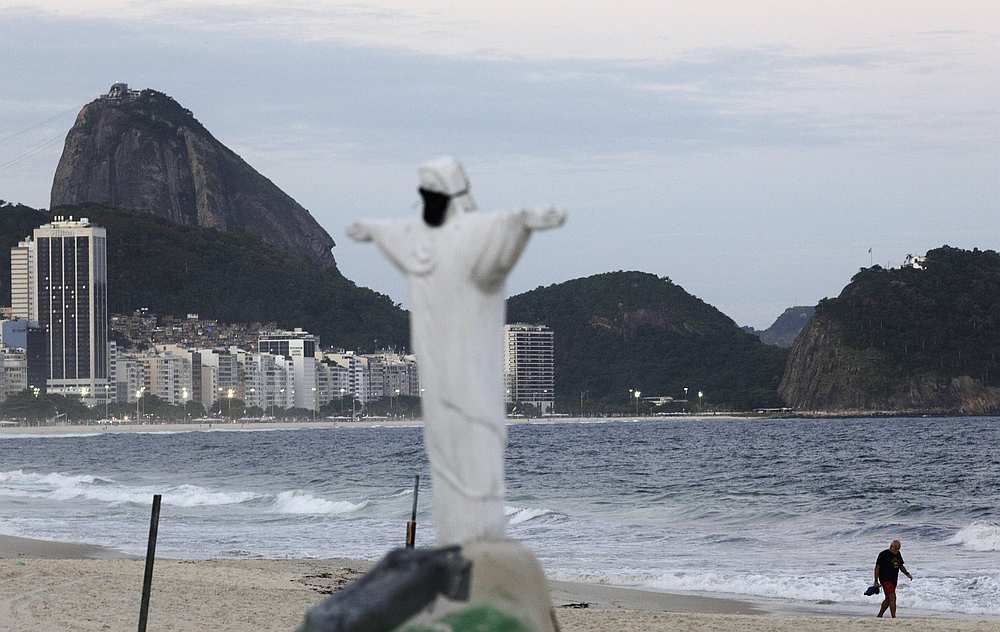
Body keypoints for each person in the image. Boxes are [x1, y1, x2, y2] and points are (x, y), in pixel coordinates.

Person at [874, 539, 912, 618]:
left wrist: (907, 573)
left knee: (888, 599)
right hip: (885, 579)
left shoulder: (898, 554)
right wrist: (876, 580)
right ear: (891, 546)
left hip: (893, 580)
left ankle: (879, 615)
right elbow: (877, 567)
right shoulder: (883, 554)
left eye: (898, 549)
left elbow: (900, 566)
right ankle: (893, 618)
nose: (897, 551)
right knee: (892, 597)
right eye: (895, 548)